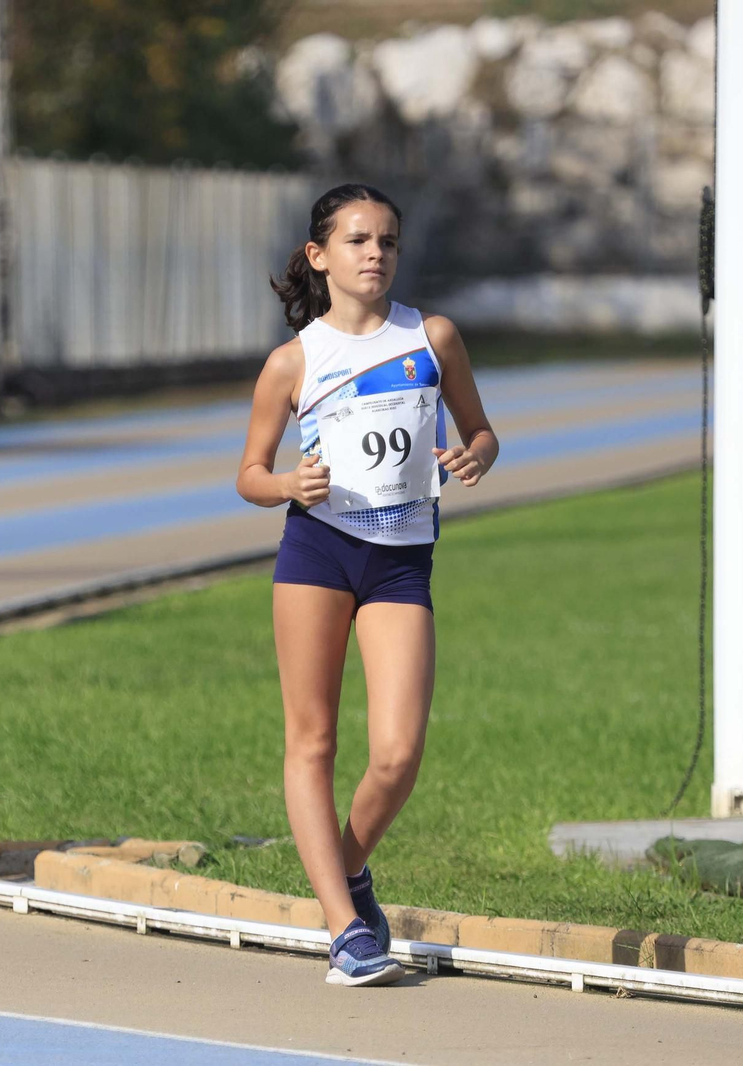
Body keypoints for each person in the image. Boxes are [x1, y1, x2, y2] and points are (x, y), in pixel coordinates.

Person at [236, 184, 499, 986]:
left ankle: (342, 873)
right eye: (357, 241)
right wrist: (287, 486)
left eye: (386, 240)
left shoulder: (434, 336)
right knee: (312, 741)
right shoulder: (293, 362)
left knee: (397, 753)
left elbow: (480, 431)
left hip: (400, 562)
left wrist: (477, 455)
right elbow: (247, 473)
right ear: (320, 256)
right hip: (317, 553)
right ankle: (347, 932)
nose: (375, 253)